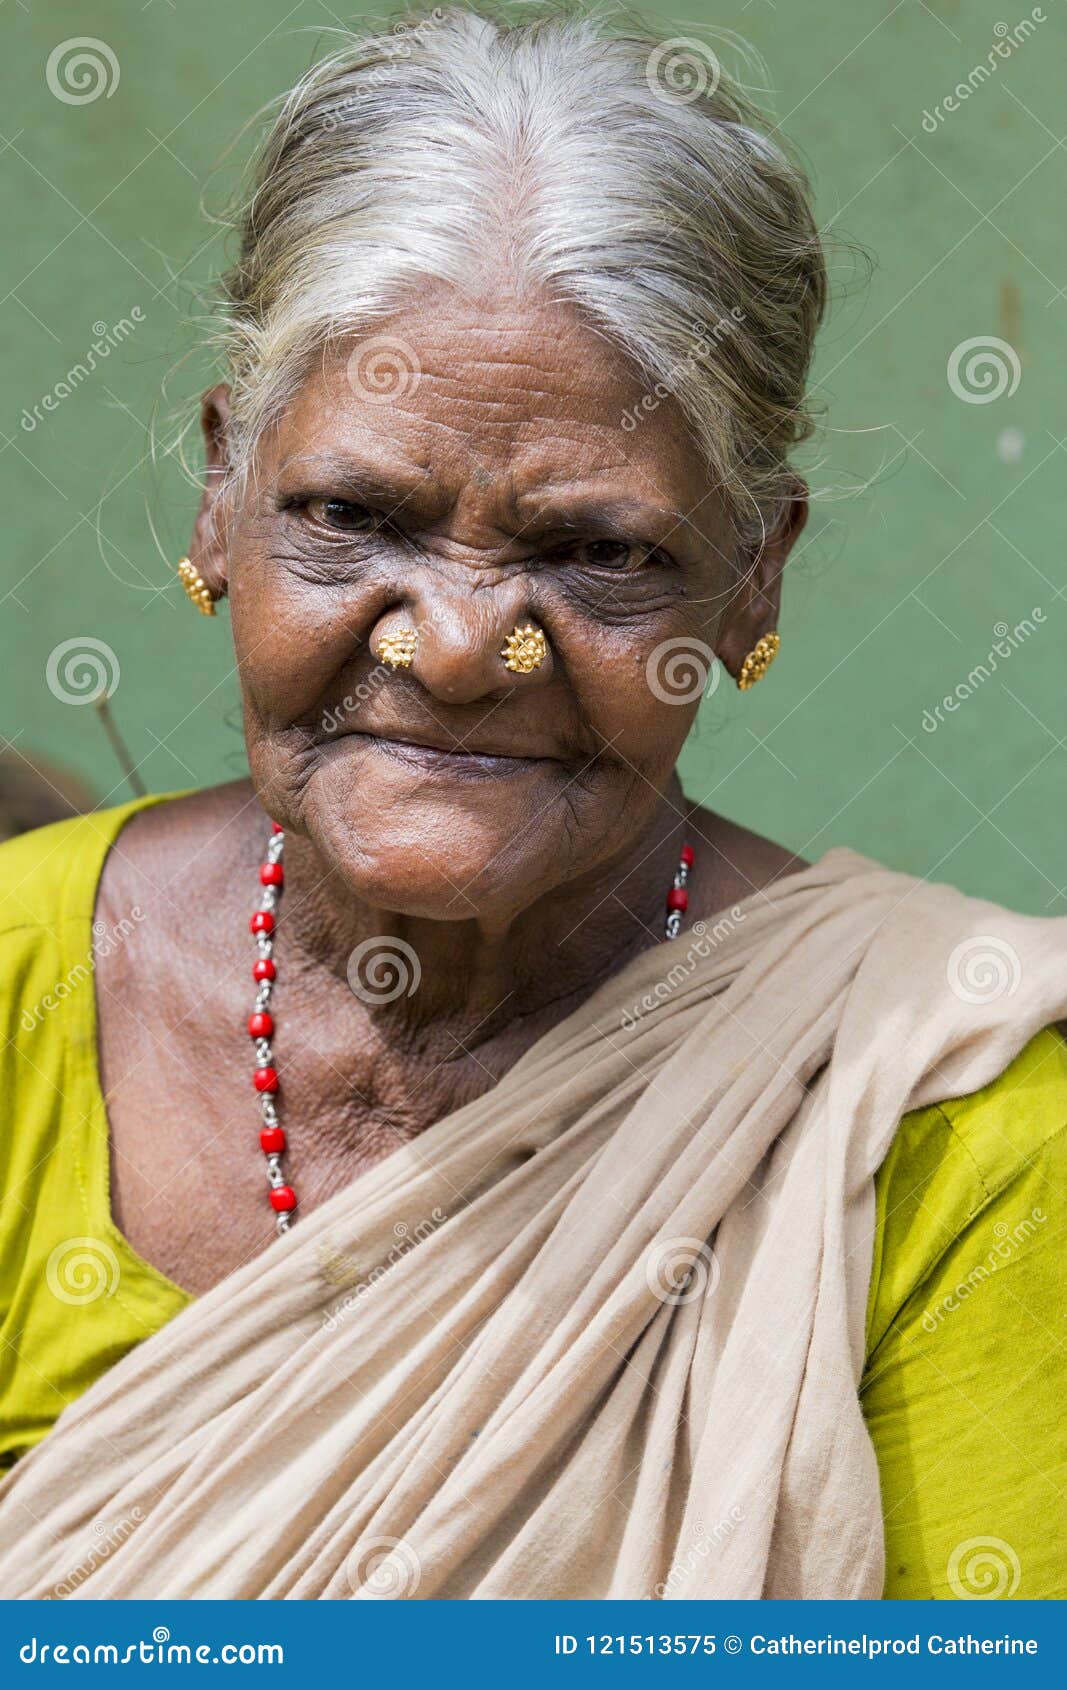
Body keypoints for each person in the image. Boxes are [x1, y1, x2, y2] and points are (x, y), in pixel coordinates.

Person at [0, 5, 1063, 1600]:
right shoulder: (23, 995)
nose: (457, 646)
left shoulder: (936, 1118)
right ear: (223, 494)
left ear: (752, 573)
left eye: (599, 553)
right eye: (355, 517)